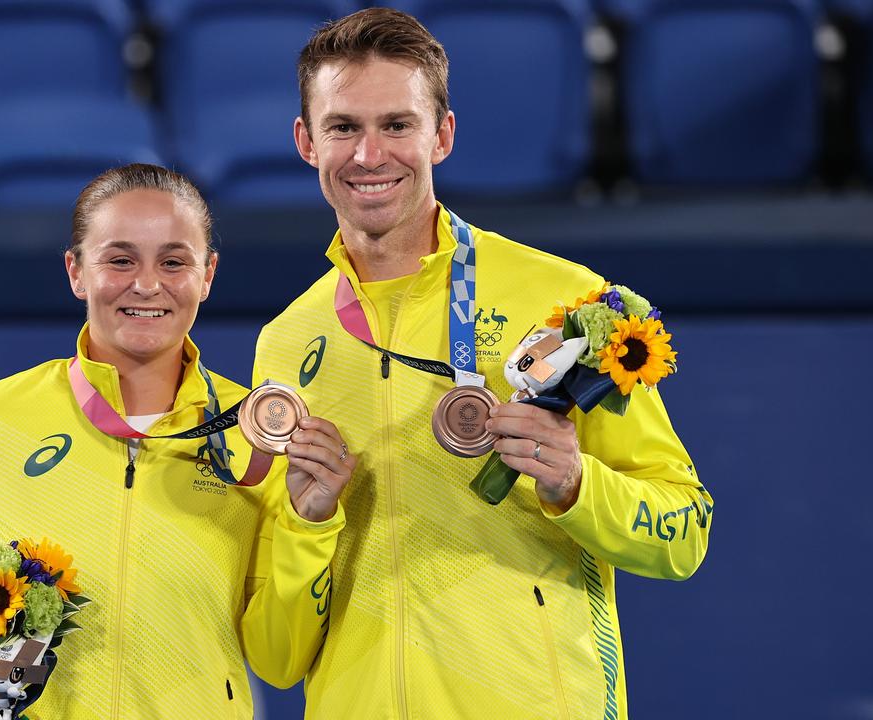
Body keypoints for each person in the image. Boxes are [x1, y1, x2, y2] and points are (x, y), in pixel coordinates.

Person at [250, 9, 713, 719]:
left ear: (443, 134)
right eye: (343, 127)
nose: (369, 155)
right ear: (306, 142)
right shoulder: (287, 341)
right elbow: (278, 658)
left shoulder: (572, 302)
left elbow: (685, 531)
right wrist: (308, 526)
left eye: (398, 125)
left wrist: (576, 484)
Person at [0, 163, 356, 719]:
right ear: (76, 271)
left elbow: (279, 659)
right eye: (120, 259)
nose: (148, 284)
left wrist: (310, 523)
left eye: (174, 261)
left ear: (208, 275)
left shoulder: (254, 436)